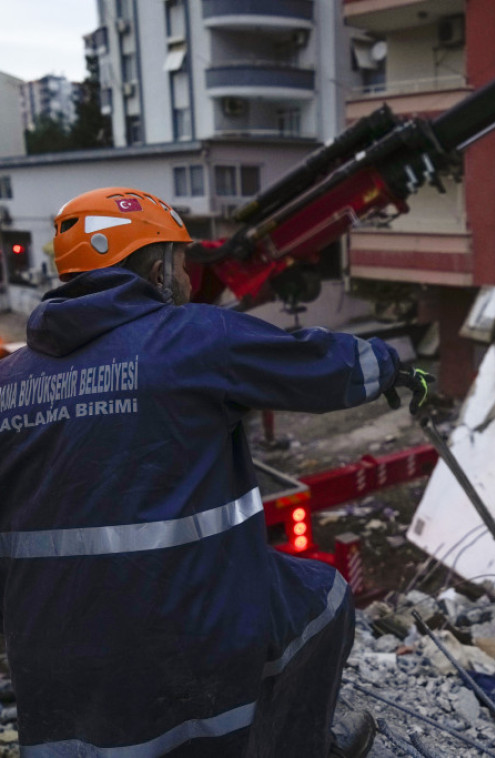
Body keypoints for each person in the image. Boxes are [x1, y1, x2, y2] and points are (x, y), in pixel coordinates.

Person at [0, 187, 429, 757]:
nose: (187, 277)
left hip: (49, 667)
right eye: (181, 259)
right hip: (178, 641)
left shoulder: (11, 381)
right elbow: (318, 366)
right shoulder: (193, 338)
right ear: (157, 269)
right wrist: (396, 367)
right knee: (322, 596)